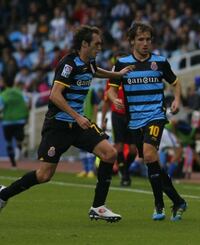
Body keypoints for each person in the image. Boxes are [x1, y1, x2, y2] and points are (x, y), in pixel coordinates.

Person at [0, 25, 133, 222]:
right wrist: (77, 116)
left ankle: (98, 207)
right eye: (96, 44)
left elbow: (96, 71)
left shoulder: (90, 62)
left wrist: (117, 75)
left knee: (110, 153)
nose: (100, 47)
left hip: (78, 126)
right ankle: (4, 195)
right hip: (59, 125)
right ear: (84, 44)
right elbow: (54, 95)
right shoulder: (68, 64)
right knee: (44, 175)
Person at [107, 22, 187, 222]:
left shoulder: (159, 62)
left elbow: (176, 83)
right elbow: (111, 87)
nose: (145, 43)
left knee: (150, 154)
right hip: (134, 121)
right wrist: (113, 97)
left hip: (155, 116)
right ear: (132, 41)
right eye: (141, 39)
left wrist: (177, 99)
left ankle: (158, 204)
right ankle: (177, 201)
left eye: (148, 40)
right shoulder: (121, 63)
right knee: (151, 162)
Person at [101, 58, 137, 187]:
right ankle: (125, 176)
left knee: (134, 149)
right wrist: (103, 120)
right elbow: (106, 100)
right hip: (117, 115)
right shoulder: (112, 79)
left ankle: (124, 169)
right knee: (119, 146)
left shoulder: (133, 79)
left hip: (132, 115)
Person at [0, 79, 29, 168]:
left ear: (4, 84)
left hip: (7, 121)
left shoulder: (3, 95)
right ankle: (20, 147)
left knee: (8, 142)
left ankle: (13, 164)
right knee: (19, 138)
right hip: (19, 120)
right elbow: (27, 103)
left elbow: (0, 108)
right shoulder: (20, 93)